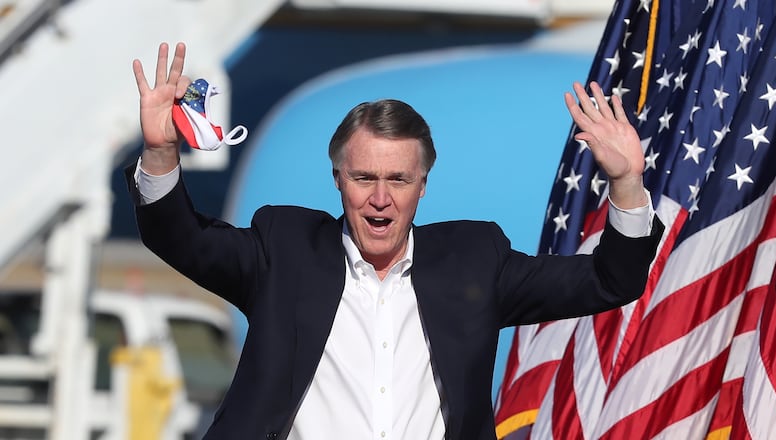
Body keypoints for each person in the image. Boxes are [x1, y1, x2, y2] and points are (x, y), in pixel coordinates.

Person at [127, 42, 663, 440]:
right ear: (338, 179)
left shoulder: (474, 261)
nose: (380, 199)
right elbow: (179, 237)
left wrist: (626, 183)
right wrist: (159, 153)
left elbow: (611, 279)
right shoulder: (283, 249)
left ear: (423, 187)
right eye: (364, 179)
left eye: (399, 181)